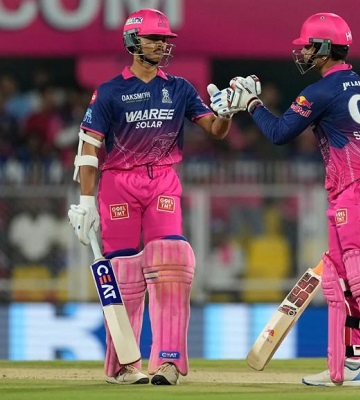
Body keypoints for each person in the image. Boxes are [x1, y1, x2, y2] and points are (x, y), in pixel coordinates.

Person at [210, 12, 360, 386]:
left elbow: (279, 133)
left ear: (324, 48)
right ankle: (345, 366)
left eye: (307, 46)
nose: (302, 53)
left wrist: (252, 104)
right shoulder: (352, 82)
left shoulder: (322, 90)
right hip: (354, 185)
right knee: (339, 276)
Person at [67, 8, 235, 385]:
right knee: (124, 274)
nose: (161, 45)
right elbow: (89, 148)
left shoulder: (180, 88)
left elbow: (215, 129)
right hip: (118, 183)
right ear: (132, 41)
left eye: (165, 39)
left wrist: (226, 113)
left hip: (162, 178)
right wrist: (87, 201)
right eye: (154, 38)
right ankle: (123, 365)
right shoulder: (110, 92)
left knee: (172, 262)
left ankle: (169, 361)